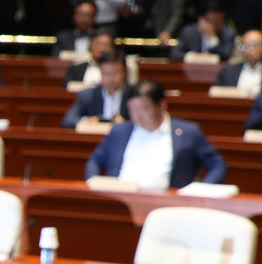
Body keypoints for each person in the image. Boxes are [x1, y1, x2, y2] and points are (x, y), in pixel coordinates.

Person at [83, 80, 227, 190]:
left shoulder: (188, 132)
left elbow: (217, 165)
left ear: (162, 106)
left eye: (143, 110)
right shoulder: (120, 131)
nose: (137, 117)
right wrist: (93, 183)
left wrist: (202, 191)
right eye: (132, 111)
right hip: (119, 200)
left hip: (168, 205)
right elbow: (94, 160)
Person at [60, 55, 137, 127]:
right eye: (105, 74)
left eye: (115, 73)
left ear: (124, 73)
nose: (110, 79)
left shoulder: (135, 95)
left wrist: (126, 124)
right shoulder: (87, 95)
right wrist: (86, 120)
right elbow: (67, 121)